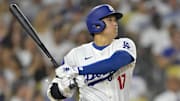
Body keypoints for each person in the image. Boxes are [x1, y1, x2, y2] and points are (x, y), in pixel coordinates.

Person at [47, 4, 137, 101]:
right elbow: (53, 94)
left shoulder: (124, 44)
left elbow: (115, 62)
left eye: (115, 20)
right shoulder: (75, 55)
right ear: (97, 25)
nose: (115, 23)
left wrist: (78, 70)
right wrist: (64, 88)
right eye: (110, 20)